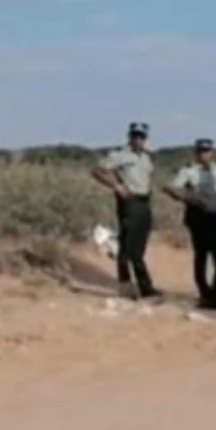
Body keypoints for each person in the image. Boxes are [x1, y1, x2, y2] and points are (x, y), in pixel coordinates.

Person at [162, 138, 216, 306]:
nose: (205, 154)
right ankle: (204, 291)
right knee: (201, 255)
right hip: (199, 217)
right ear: (196, 153)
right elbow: (171, 187)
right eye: (201, 151)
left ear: (212, 152)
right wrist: (189, 198)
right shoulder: (189, 170)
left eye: (208, 151)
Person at [92, 122, 161, 299]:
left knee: (139, 248)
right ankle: (128, 286)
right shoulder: (120, 155)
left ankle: (143, 287)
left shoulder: (146, 157)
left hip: (144, 203)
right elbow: (98, 170)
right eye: (135, 135)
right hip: (130, 202)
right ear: (129, 136)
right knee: (127, 247)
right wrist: (116, 186)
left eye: (142, 136)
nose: (138, 139)